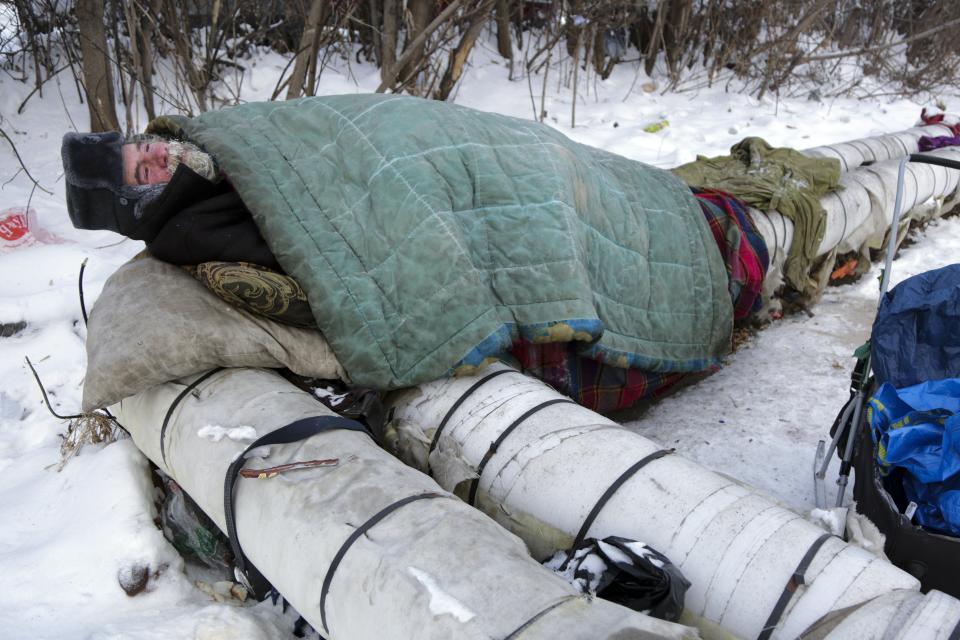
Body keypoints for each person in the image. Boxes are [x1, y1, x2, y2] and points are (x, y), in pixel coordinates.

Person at [61, 130, 280, 269]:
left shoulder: (200, 149)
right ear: (147, 204)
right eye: (145, 173)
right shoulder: (193, 235)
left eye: (145, 147)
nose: (160, 155)